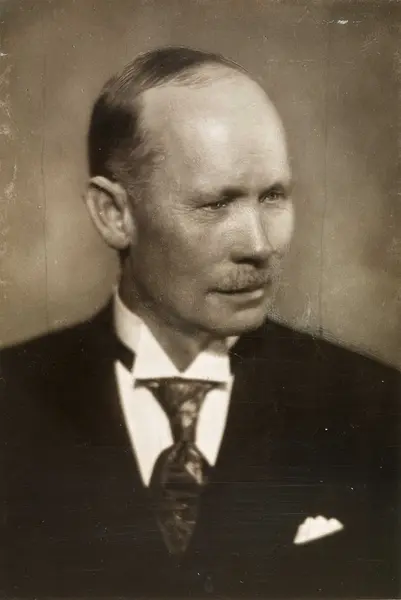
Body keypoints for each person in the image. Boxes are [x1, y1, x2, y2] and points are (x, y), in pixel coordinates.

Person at [1, 46, 399, 598]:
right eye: (216, 205)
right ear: (114, 214)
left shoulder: (378, 410)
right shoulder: (12, 402)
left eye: (274, 196)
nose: (259, 245)